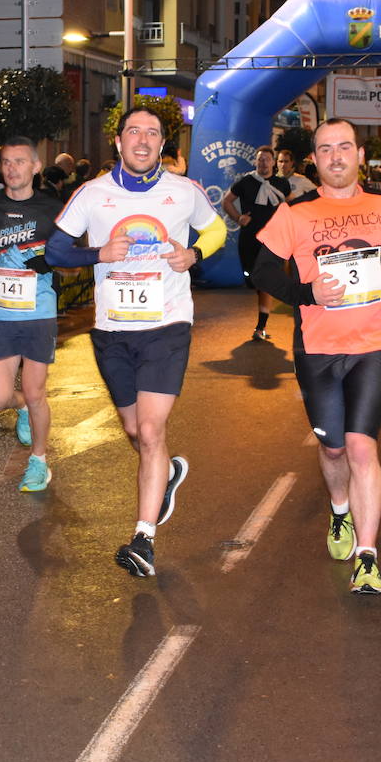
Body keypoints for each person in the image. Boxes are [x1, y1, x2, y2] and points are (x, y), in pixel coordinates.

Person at [45, 106, 228, 577]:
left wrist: (194, 252)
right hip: (112, 331)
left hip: (167, 326)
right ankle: (166, 475)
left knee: (150, 432)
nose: (142, 140)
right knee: (134, 431)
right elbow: (55, 250)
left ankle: (143, 538)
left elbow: (218, 228)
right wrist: (98, 253)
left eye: (152, 133)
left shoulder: (183, 192)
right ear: (119, 142)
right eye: (134, 132)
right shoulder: (93, 194)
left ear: (162, 144)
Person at [252, 118, 381, 595]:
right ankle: (339, 512)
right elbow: (263, 270)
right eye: (326, 149)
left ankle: (367, 558)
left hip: (375, 343)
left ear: (359, 155)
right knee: (332, 449)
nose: (336, 156)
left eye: (344, 147)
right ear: (316, 158)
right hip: (319, 349)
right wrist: (307, 293)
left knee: (361, 446)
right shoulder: (297, 212)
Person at [0, 136, 63, 491]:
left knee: (37, 391)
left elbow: (73, 253)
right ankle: (18, 406)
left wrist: (52, 259)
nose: (12, 169)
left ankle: (39, 460)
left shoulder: (53, 208)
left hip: (38, 311)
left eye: (20, 161)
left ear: (36, 166)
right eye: (6, 162)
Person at [222, 144, 291, 341]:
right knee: (253, 281)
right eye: (260, 159)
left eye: (267, 159)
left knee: (265, 282)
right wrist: (238, 218)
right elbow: (226, 201)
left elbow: (292, 205)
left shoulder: (281, 184)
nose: (263, 162)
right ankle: (261, 320)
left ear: (273, 162)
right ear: (256, 161)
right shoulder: (246, 182)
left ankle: (261, 326)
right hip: (249, 239)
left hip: (273, 241)